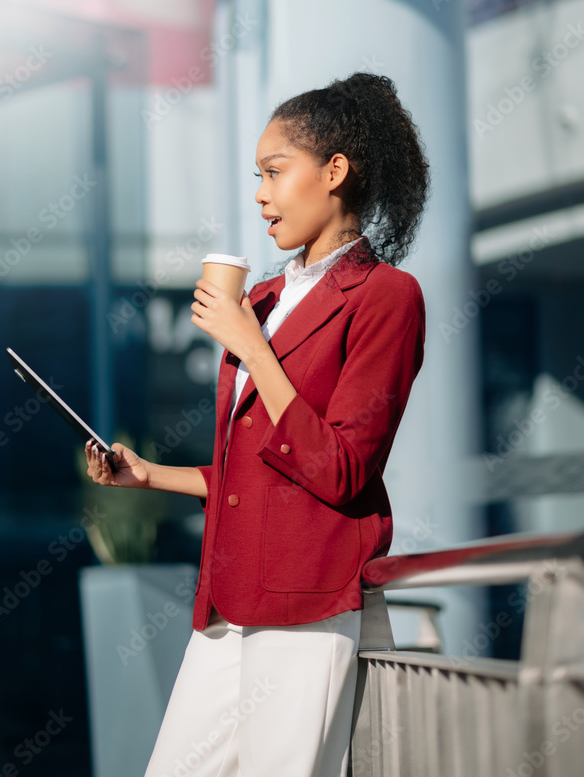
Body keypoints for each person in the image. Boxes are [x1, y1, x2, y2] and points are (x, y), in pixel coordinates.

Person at [85, 70, 430, 777]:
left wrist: (250, 348)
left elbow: (339, 468)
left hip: (307, 600)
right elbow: (259, 472)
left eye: (275, 172)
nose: (260, 195)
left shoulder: (387, 298)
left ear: (335, 171)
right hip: (229, 599)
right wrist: (147, 475)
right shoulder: (266, 298)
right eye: (256, 175)